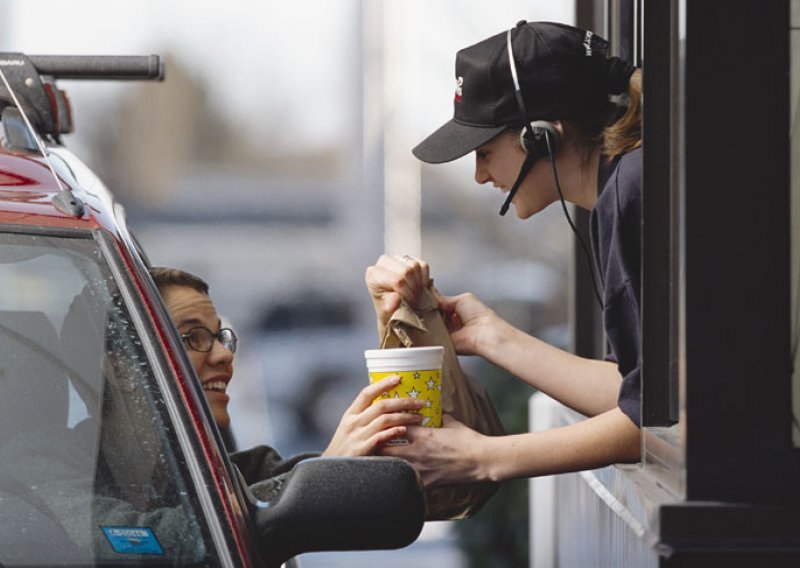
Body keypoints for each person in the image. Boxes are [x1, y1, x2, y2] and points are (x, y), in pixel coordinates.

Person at [365, 20, 643, 488]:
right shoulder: (616, 195)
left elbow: (663, 419)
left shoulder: (632, 191)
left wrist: (484, 458)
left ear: (543, 136)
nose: (477, 176)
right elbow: (634, 395)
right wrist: (491, 337)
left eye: (485, 152)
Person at [148, 266, 424, 499]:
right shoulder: (112, 489)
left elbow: (261, 486)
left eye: (222, 337)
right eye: (193, 337)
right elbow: (184, 530)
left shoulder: (203, 466)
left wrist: (339, 463)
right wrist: (327, 470)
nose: (224, 354)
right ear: (122, 361)